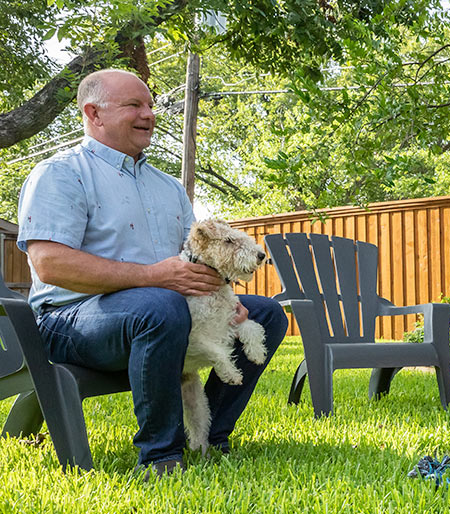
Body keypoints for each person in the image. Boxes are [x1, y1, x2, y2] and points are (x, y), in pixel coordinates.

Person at [17, 69, 288, 478]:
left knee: (266, 313)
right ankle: (162, 455)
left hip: (163, 310)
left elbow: (198, 259)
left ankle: (210, 438)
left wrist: (225, 300)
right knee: (159, 305)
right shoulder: (60, 174)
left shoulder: (168, 187)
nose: (149, 114)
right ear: (94, 113)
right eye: (134, 105)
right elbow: (50, 264)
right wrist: (152, 277)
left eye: (150, 105)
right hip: (69, 322)